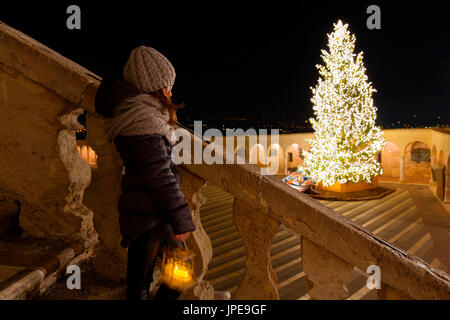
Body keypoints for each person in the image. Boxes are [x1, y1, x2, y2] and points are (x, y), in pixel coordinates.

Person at [94, 46, 195, 300]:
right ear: (155, 87)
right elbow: (159, 175)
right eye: (167, 85)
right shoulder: (144, 121)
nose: (171, 91)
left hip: (152, 214)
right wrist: (181, 218)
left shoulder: (141, 115)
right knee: (145, 285)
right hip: (148, 217)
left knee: (175, 273)